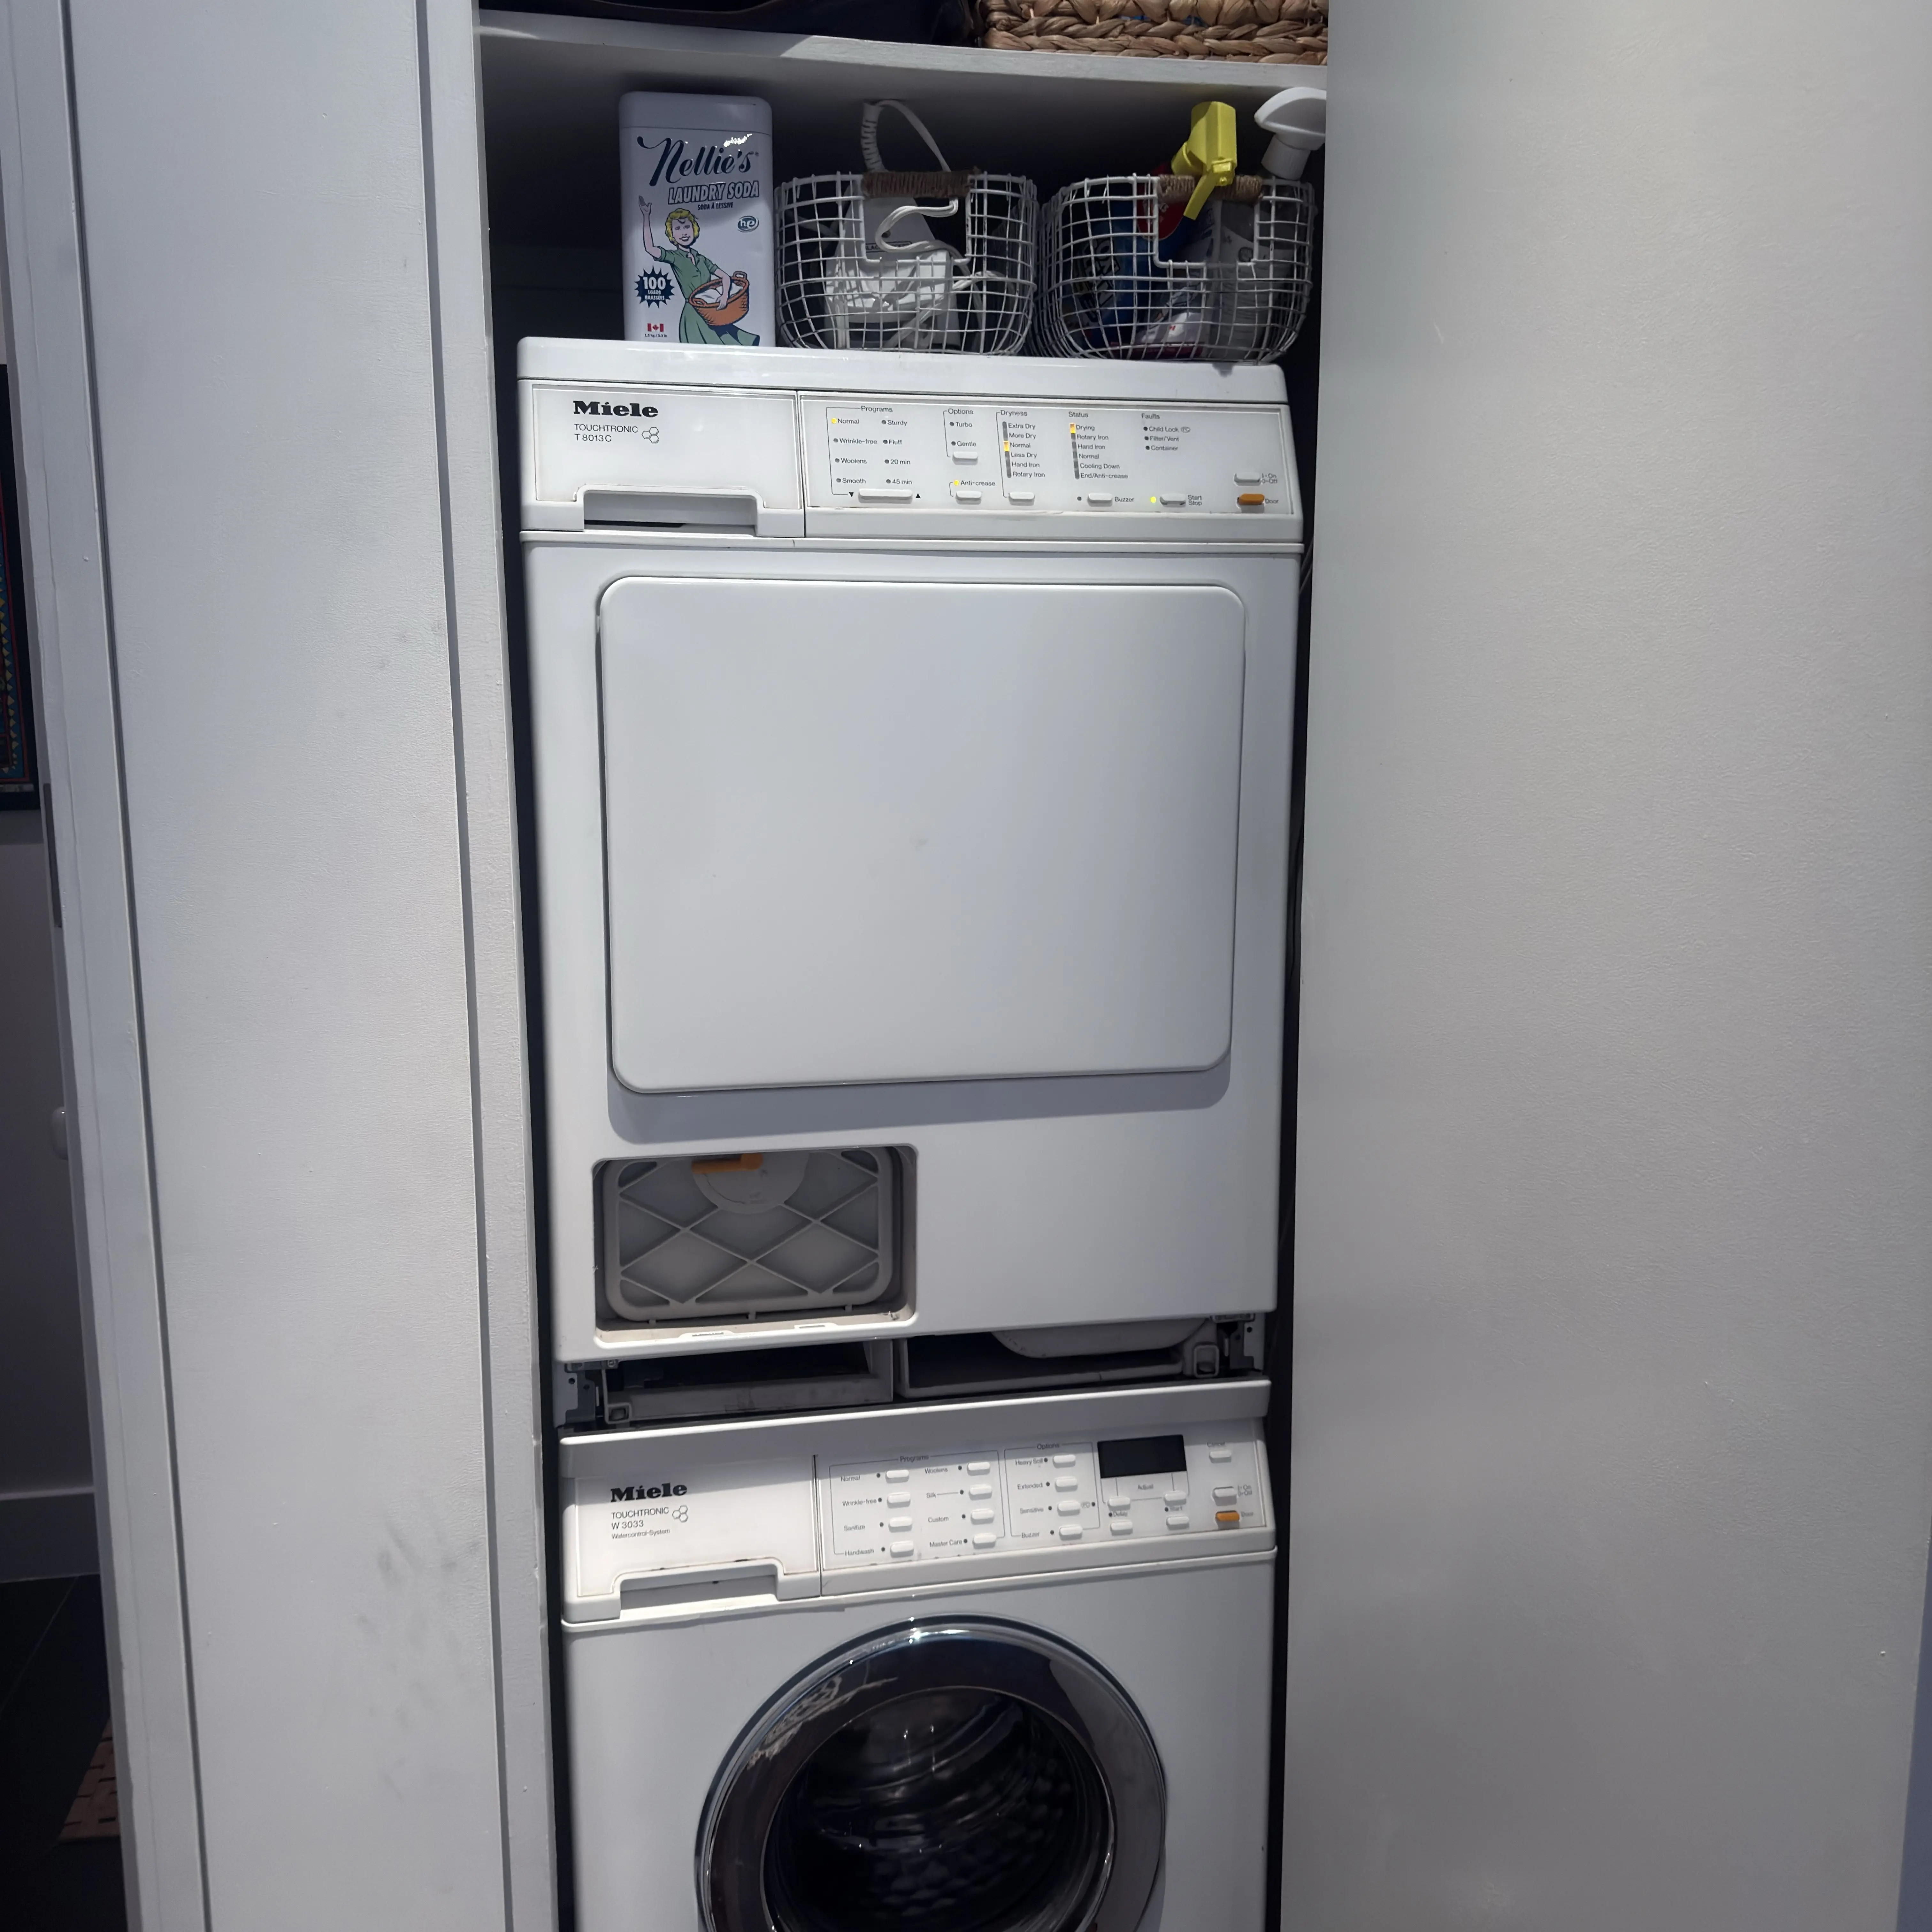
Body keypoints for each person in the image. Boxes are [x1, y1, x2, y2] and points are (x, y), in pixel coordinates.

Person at [638, 199, 758, 345]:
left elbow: (726, 278)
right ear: (672, 235)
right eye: (678, 229)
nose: (684, 233)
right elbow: (650, 249)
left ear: (694, 230)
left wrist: (724, 296)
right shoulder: (675, 257)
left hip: (712, 310)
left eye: (687, 227)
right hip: (694, 314)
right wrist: (646, 216)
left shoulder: (701, 259)